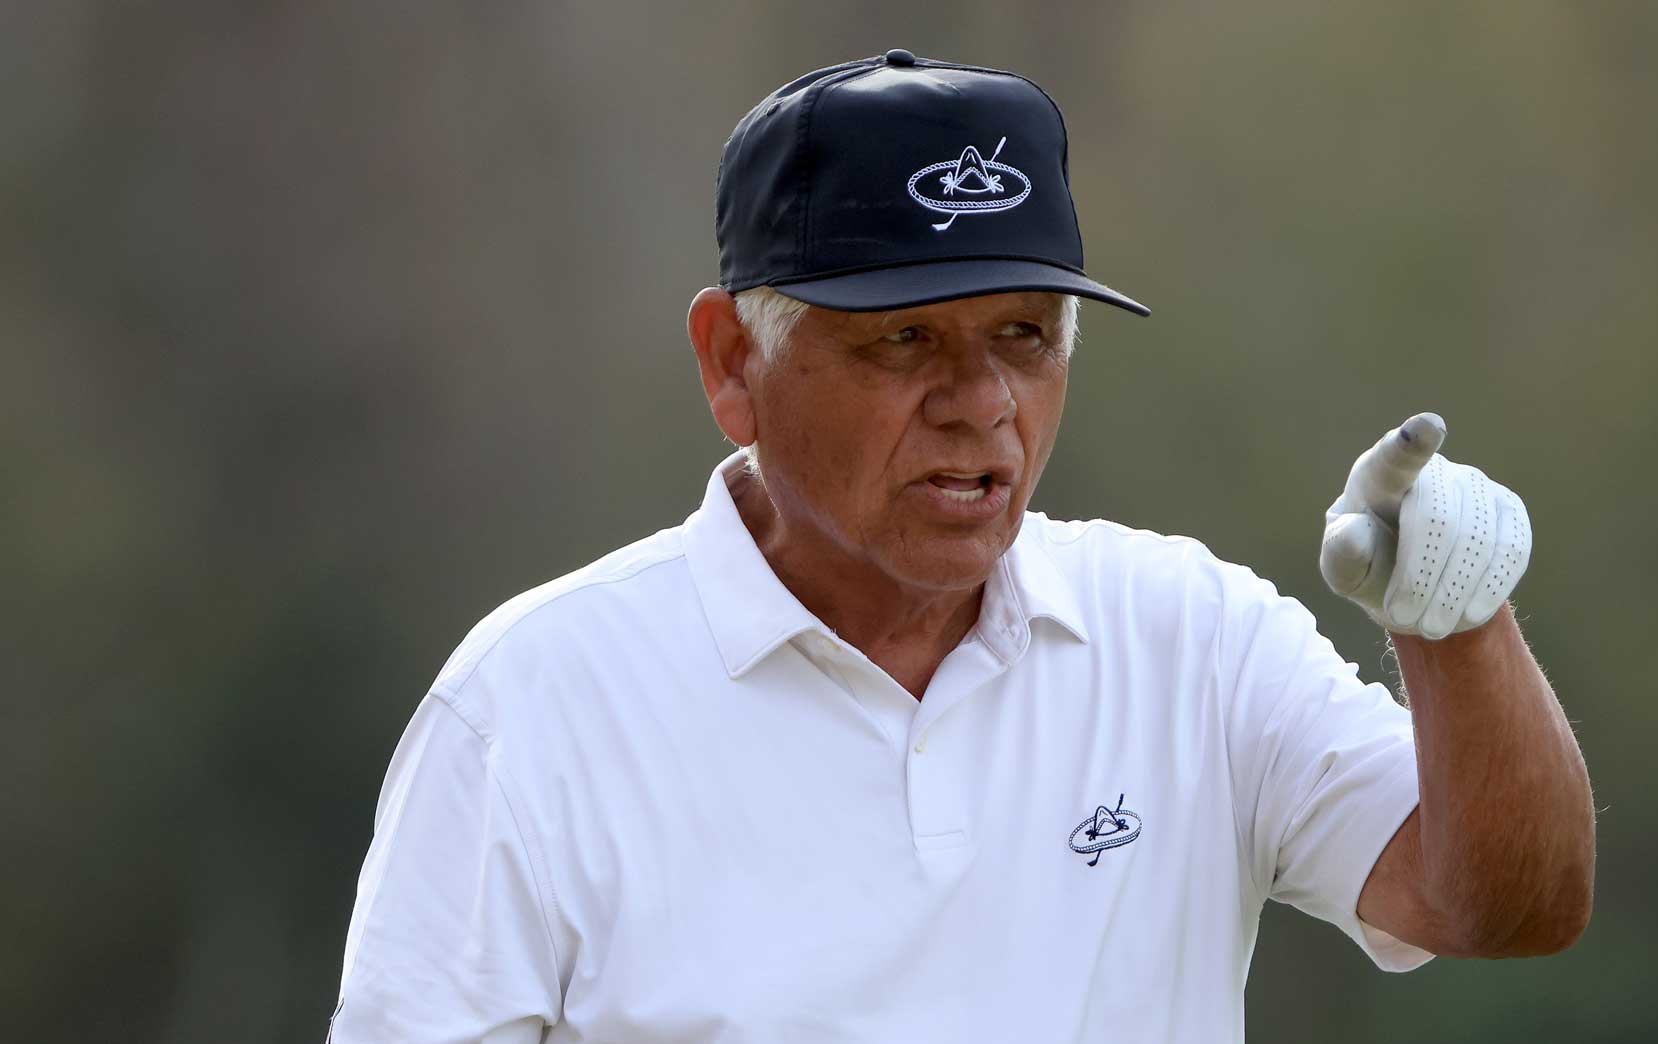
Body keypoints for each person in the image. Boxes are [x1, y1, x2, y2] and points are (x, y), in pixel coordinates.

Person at [330, 51, 1593, 1043]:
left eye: (1023, 336)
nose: (979, 400)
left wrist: (1454, 626)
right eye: (902, 340)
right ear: (733, 366)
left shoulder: (1186, 635)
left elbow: (1504, 905)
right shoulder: (532, 707)